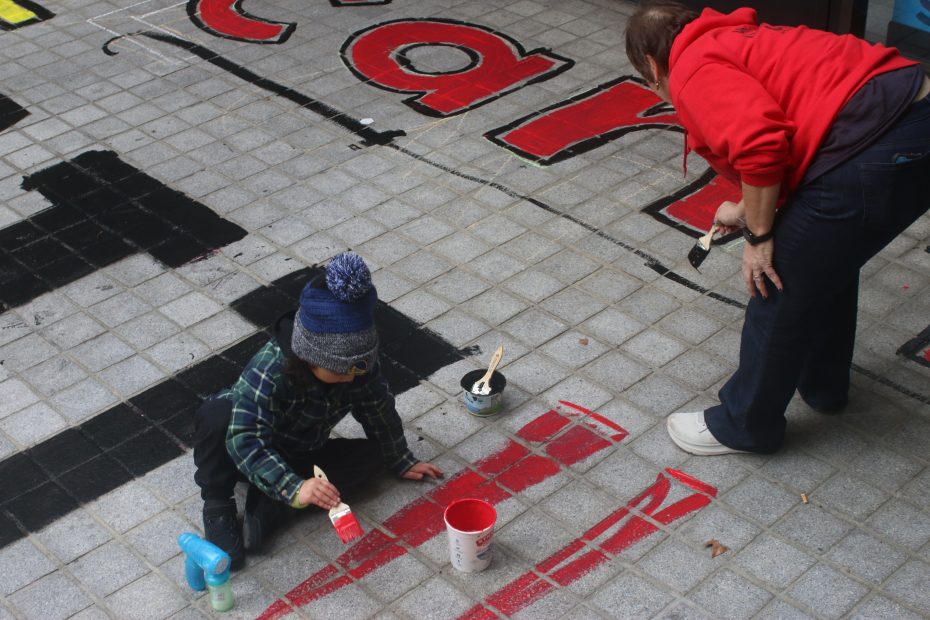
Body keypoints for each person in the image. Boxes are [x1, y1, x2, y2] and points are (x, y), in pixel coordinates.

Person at [625, 1, 930, 455]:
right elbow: (800, 129)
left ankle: (744, 425)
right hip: (909, 115)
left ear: (652, 65)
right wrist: (747, 208)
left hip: (883, 138)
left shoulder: (690, 68)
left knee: (777, 277)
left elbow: (763, 146)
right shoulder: (733, 38)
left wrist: (761, 238)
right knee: (826, 256)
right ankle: (824, 388)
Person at [193, 252, 442, 569]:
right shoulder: (269, 371)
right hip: (243, 448)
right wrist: (294, 485)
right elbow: (245, 437)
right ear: (309, 356)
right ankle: (218, 506)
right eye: (341, 371)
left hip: (300, 451)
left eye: (358, 369)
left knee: (371, 457)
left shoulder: (358, 368)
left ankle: (274, 502)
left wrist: (400, 459)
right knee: (218, 415)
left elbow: (378, 409)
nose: (351, 377)